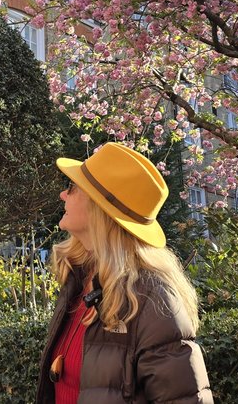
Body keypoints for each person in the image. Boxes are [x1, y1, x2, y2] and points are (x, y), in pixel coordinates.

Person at [35, 142, 213, 404]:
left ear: (99, 207)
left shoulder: (154, 299)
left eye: (73, 187)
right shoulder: (80, 279)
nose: (63, 194)